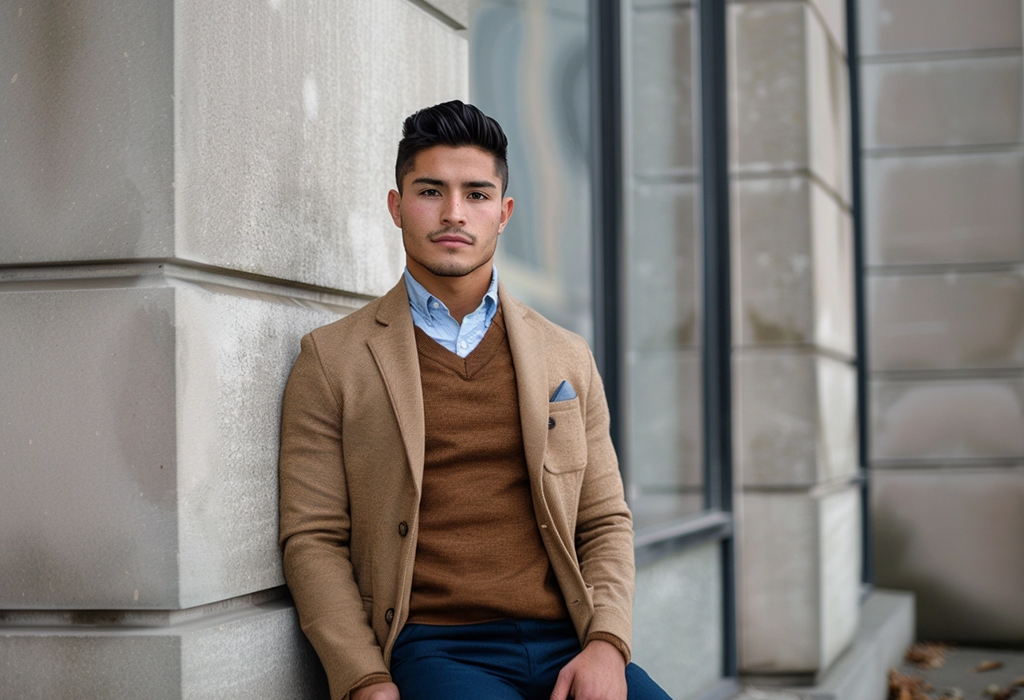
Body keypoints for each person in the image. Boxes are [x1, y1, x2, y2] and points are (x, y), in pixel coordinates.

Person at [278, 100, 670, 700]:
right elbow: (313, 538)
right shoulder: (332, 360)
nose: (454, 214)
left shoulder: (567, 355)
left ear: (504, 212)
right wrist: (364, 678)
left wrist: (607, 644)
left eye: (477, 195)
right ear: (396, 205)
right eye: (431, 191)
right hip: (437, 646)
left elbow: (604, 519)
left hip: (568, 637)